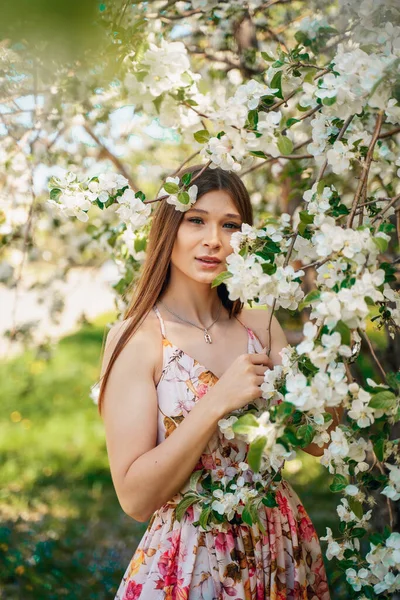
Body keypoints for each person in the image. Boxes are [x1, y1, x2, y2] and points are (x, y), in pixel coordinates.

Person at [98, 165, 331, 600]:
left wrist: (329, 358)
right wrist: (216, 401)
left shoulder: (259, 326)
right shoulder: (138, 339)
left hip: (279, 543)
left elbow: (321, 442)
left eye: (230, 226)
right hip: (193, 557)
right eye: (196, 220)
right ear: (168, 228)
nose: (214, 240)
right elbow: (134, 499)